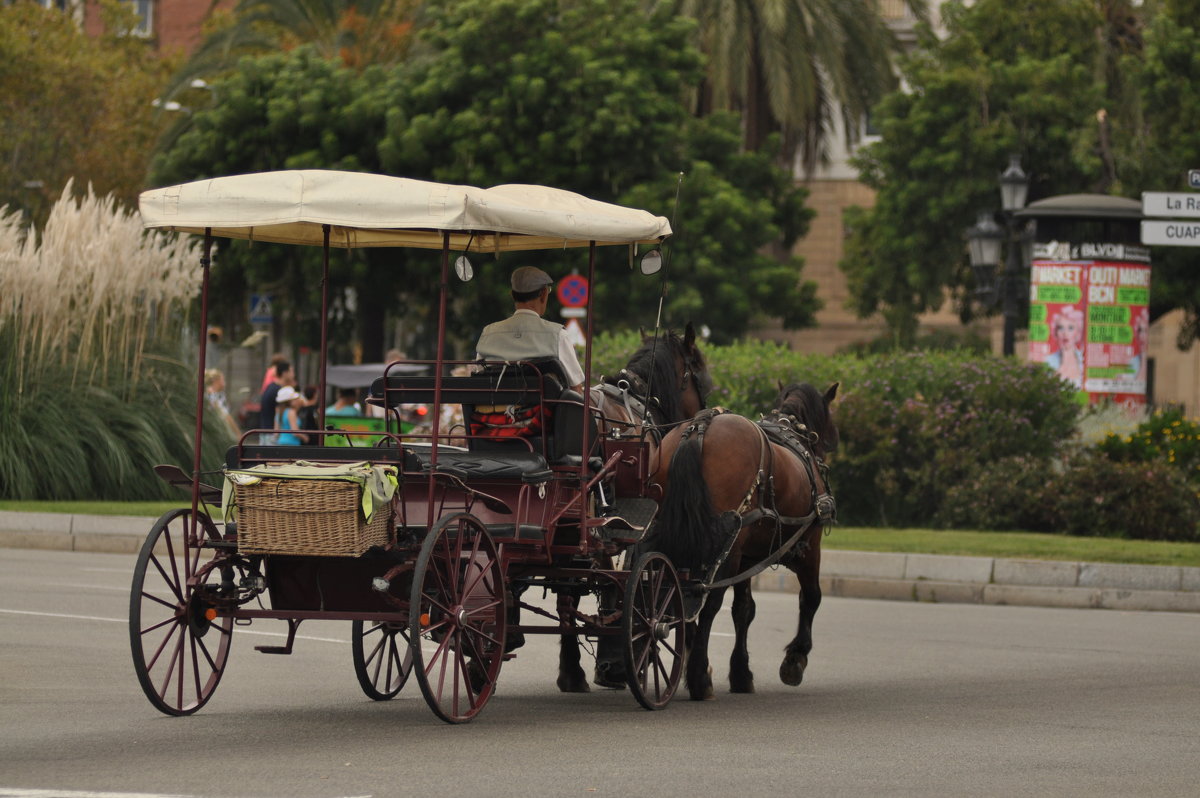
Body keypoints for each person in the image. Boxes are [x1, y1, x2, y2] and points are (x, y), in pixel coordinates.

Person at [475, 265, 585, 392]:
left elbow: (481, 376)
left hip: (491, 408)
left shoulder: (488, 333)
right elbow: (576, 388)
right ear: (543, 294)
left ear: (512, 295)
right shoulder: (558, 335)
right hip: (542, 411)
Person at [1045, 306, 1084, 389]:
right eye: (1061, 328)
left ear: (1078, 333)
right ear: (1055, 333)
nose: (1065, 333)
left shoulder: (1085, 360)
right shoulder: (1048, 361)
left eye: (1070, 328)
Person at [259, 360, 293, 441]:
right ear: (285, 373)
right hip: (273, 434)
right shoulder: (279, 391)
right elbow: (278, 412)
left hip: (264, 432)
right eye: (291, 371)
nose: (293, 375)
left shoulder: (270, 387)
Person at [204, 368, 240, 437]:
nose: (224, 382)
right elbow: (225, 415)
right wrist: (237, 434)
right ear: (216, 381)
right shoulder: (212, 395)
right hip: (216, 433)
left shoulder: (218, 393)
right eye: (222, 379)